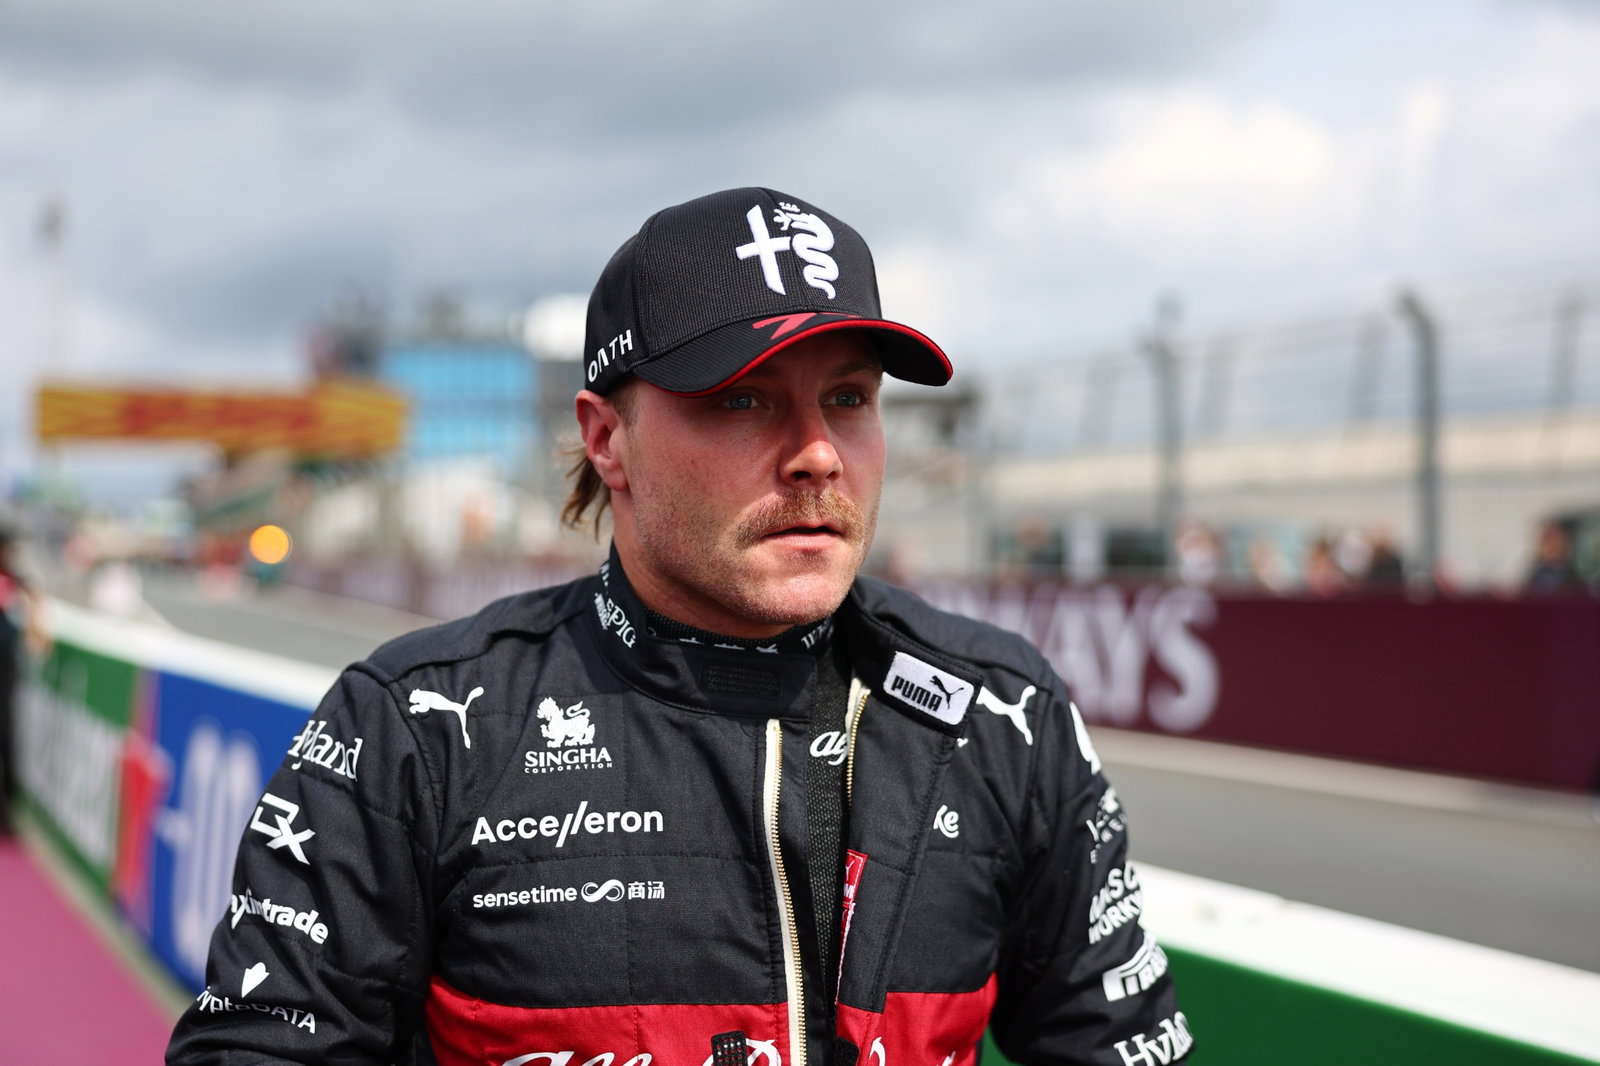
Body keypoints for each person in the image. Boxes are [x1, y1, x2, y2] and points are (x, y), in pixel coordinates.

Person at [168, 188, 1189, 1066]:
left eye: (847, 398)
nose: (818, 455)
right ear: (606, 437)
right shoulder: (419, 726)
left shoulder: (998, 711)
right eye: (744, 399)